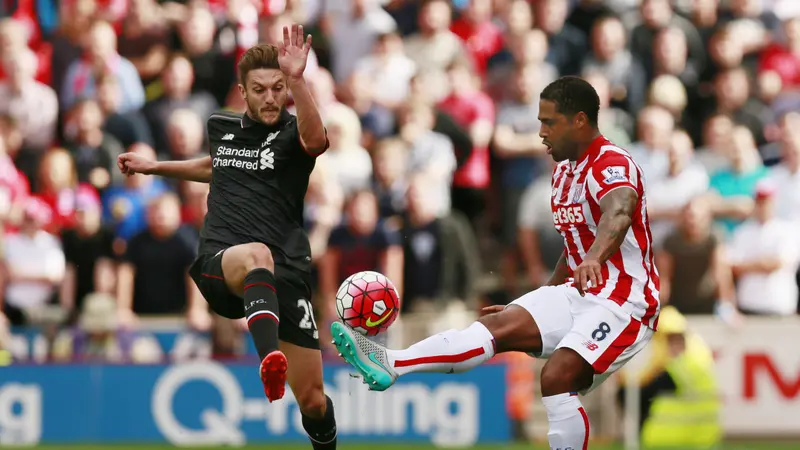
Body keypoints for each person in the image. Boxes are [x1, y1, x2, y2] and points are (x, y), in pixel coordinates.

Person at [331, 76, 660, 450]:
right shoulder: (564, 173)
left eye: (549, 122)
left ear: (579, 120)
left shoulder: (612, 162)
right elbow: (572, 249)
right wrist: (538, 302)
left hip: (626, 304)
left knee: (556, 377)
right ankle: (391, 362)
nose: (540, 132)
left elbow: (617, 213)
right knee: (499, 324)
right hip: (580, 293)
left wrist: (594, 259)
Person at [116, 26, 338, 450]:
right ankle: (268, 357)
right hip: (224, 262)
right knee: (256, 255)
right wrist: (154, 167)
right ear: (243, 92)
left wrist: (299, 80)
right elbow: (216, 164)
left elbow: (316, 141)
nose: (271, 97)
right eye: (260, 89)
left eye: (278, 88)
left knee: (312, 400)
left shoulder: (294, 134)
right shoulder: (221, 126)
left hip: (286, 272)